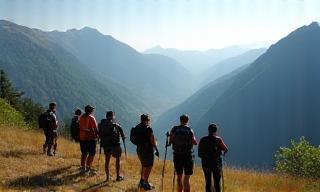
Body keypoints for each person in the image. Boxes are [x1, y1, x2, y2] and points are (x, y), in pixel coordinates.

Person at [169, 114, 197, 192]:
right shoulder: (190, 130)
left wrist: (170, 142)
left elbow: (170, 141)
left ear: (180, 120)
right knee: (186, 178)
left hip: (177, 155)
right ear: (187, 121)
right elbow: (195, 142)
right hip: (188, 155)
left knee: (179, 177)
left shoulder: (174, 129)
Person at [198, 123, 228, 192]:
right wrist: (221, 154)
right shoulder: (218, 140)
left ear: (208, 130)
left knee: (208, 182)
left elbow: (199, 154)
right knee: (217, 183)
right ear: (216, 131)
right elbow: (226, 149)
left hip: (205, 164)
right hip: (216, 164)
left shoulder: (202, 139)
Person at [133, 114, 159, 191]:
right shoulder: (148, 128)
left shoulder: (137, 127)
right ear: (147, 120)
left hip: (139, 149)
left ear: (141, 119)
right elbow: (152, 140)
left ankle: (141, 181)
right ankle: (145, 182)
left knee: (144, 164)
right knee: (149, 165)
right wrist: (156, 149)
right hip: (147, 150)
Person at [98, 111, 125, 182]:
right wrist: (123, 137)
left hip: (105, 145)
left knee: (107, 161)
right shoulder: (116, 124)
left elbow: (99, 133)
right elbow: (122, 135)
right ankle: (118, 177)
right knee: (118, 159)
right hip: (115, 145)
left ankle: (107, 178)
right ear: (113, 116)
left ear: (106, 116)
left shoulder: (101, 124)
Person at [79, 105, 98, 175]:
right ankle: (88, 167)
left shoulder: (81, 117)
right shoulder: (91, 117)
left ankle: (82, 167)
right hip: (90, 138)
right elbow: (95, 128)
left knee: (84, 153)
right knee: (92, 153)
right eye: (92, 110)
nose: (93, 111)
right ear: (90, 111)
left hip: (82, 138)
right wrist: (98, 136)